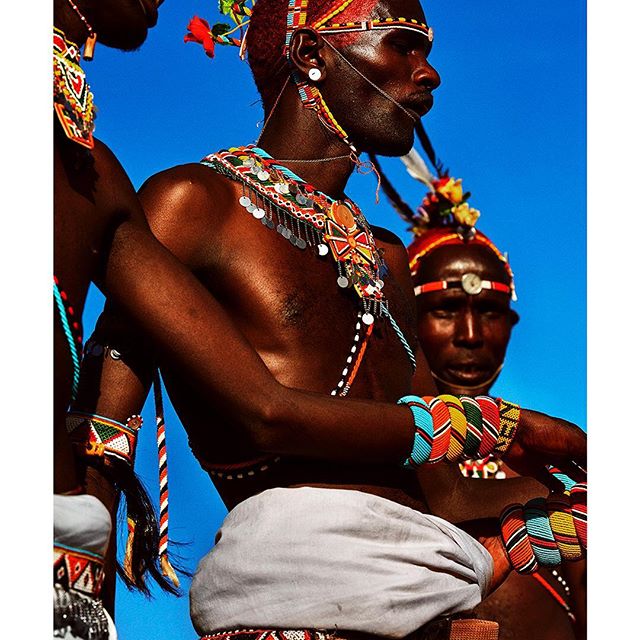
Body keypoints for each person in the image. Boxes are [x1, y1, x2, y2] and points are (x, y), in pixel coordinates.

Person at [73, 0, 587, 638]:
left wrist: (562, 513)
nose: (429, 74)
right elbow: (107, 432)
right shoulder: (195, 204)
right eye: (402, 45)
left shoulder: (389, 257)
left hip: (430, 602)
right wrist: (78, 607)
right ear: (312, 54)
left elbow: (442, 494)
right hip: (291, 612)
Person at [372, 136, 586, 639]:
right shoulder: (371, 453)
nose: (470, 336)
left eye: (490, 313)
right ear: (409, 317)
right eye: (446, 310)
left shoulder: (557, 469)